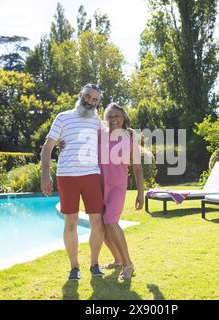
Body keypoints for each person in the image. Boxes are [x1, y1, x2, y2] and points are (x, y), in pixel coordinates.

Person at [40, 83, 105, 281]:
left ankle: (94, 264)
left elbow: (108, 141)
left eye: (95, 100)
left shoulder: (96, 121)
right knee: (71, 222)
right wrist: (45, 175)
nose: (91, 102)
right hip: (67, 176)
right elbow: (48, 147)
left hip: (92, 175)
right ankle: (74, 267)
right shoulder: (63, 117)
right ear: (80, 95)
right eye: (88, 97)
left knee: (97, 221)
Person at [99, 103, 144, 280]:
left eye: (116, 116)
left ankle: (128, 264)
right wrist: (64, 143)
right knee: (101, 226)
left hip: (117, 187)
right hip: (99, 185)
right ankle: (118, 260)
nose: (113, 119)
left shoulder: (130, 136)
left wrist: (141, 192)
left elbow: (137, 167)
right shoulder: (99, 135)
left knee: (110, 221)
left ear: (123, 117)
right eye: (109, 116)